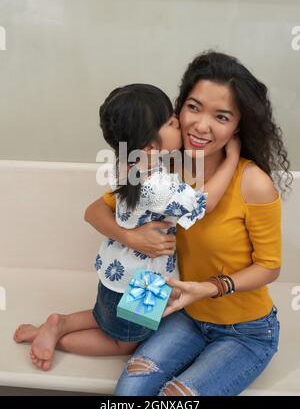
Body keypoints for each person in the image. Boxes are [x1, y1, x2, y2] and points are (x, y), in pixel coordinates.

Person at [85, 52, 292, 396]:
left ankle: (60, 326)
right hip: (185, 314)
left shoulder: (253, 183)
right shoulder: (166, 170)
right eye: (193, 108)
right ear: (178, 110)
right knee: (128, 393)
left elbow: (269, 267)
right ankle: (58, 326)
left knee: (175, 400)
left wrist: (209, 287)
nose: (201, 125)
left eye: (221, 116)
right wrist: (132, 238)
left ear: (238, 125)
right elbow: (94, 211)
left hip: (245, 331)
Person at [13, 83, 240, 371]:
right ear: (150, 146)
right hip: (143, 281)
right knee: (125, 341)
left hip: (116, 270)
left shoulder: (126, 164)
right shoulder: (159, 186)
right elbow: (203, 205)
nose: (179, 125)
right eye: (171, 122)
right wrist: (231, 159)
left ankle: (59, 323)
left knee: (103, 314)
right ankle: (55, 337)